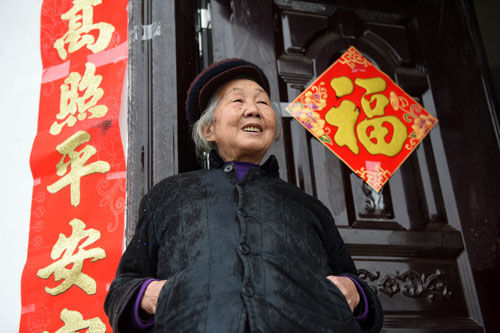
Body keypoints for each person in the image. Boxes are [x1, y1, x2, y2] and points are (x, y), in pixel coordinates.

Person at [104, 58, 383, 332]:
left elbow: (355, 287)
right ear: (208, 129)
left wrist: (352, 291)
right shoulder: (169, 195)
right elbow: (124, 285)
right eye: (238, 101)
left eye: (262, 102)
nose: (253, 110)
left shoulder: (308, 206)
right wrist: (153, 295)